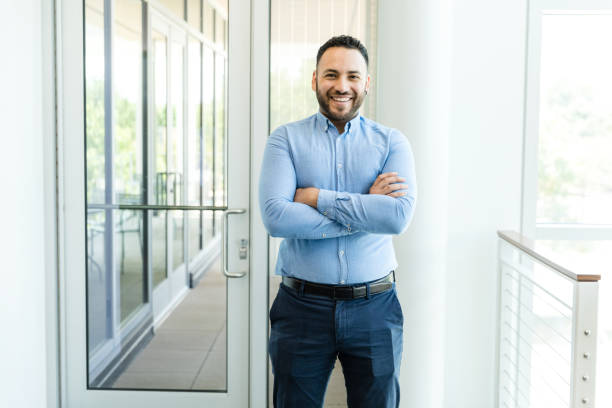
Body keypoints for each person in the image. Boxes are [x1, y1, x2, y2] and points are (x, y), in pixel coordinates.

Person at [259, 35, 417, 408]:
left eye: (352, 76)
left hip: (375, 308)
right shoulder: (285, 140)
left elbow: (397, 217)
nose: (342, 86)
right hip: (301, 308)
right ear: (315, 79)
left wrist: (316, 198)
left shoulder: (392, 143)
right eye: (331, 75)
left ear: (366, 83)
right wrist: (366, 209)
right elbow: (277, 218)